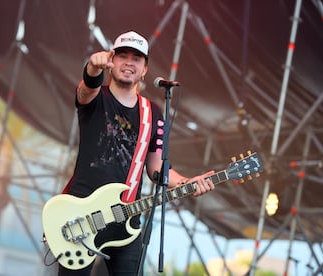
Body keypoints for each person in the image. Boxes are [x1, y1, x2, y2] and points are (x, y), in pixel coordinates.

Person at [58, 30, 215, 276]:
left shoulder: (152, 112)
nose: (129, 62)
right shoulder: (97, 98)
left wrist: (187, 183)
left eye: (136, 58)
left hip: (126, 219)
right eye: (122, 56)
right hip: (82, 215)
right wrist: (91, 69)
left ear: (144, 70)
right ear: (111, 62)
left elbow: (156, 169)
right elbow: (85, 92)